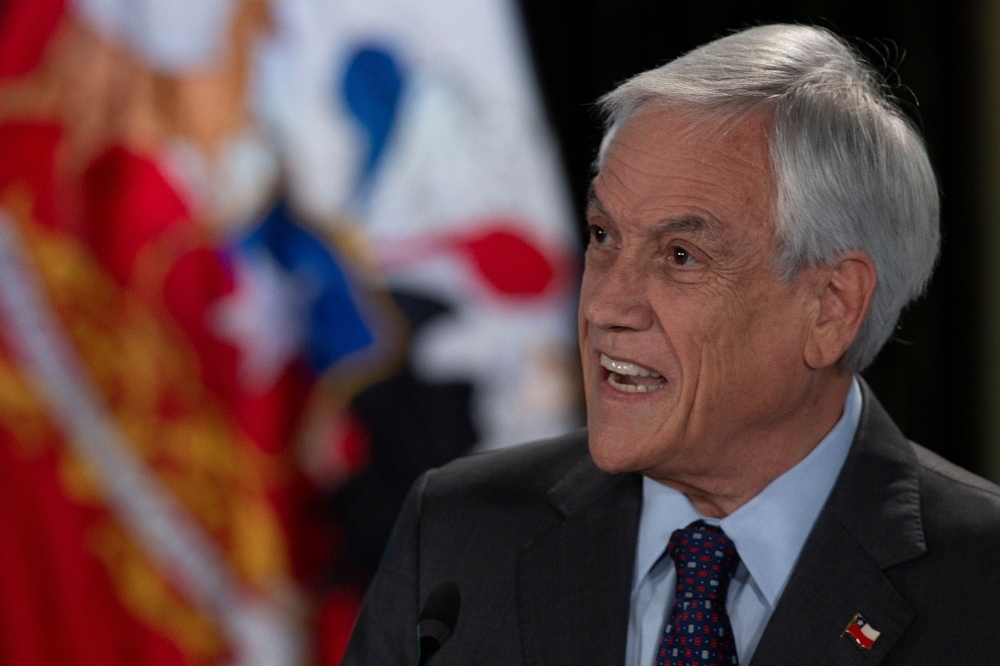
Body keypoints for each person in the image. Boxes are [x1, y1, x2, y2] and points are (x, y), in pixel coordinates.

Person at [341, 24, 1000, 666]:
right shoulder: (457, 540)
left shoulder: (982, 584)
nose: (603, 306)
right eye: (603, 236)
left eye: (680, 255)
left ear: (831, 307)